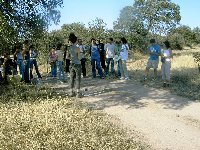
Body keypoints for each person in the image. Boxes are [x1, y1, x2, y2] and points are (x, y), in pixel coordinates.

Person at [68, 33, 82, 98]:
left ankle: (71, 92)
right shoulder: (77, 48)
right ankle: (78, 93)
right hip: (77, 64)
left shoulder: (69, 48)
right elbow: (79, 57)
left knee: (71, 78)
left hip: (71, 64)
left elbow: (67, 57)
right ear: (76, 40)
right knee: (78, 78)